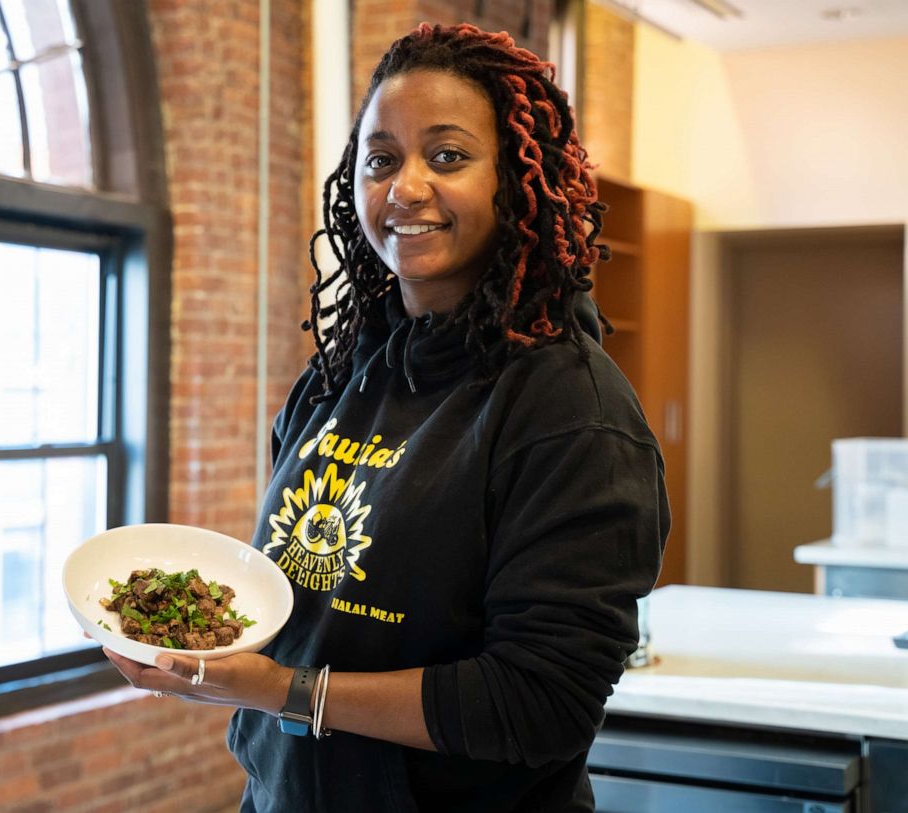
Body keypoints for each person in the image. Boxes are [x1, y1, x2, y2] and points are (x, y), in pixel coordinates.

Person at [104, 22, 668, 812]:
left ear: (515, 180)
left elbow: (543, 702)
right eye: (380, 159)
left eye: (447, 156)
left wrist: (285, 691)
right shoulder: (338, 377)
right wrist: (209, 645)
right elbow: (314, 599)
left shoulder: (572, 409)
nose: (404, 187)